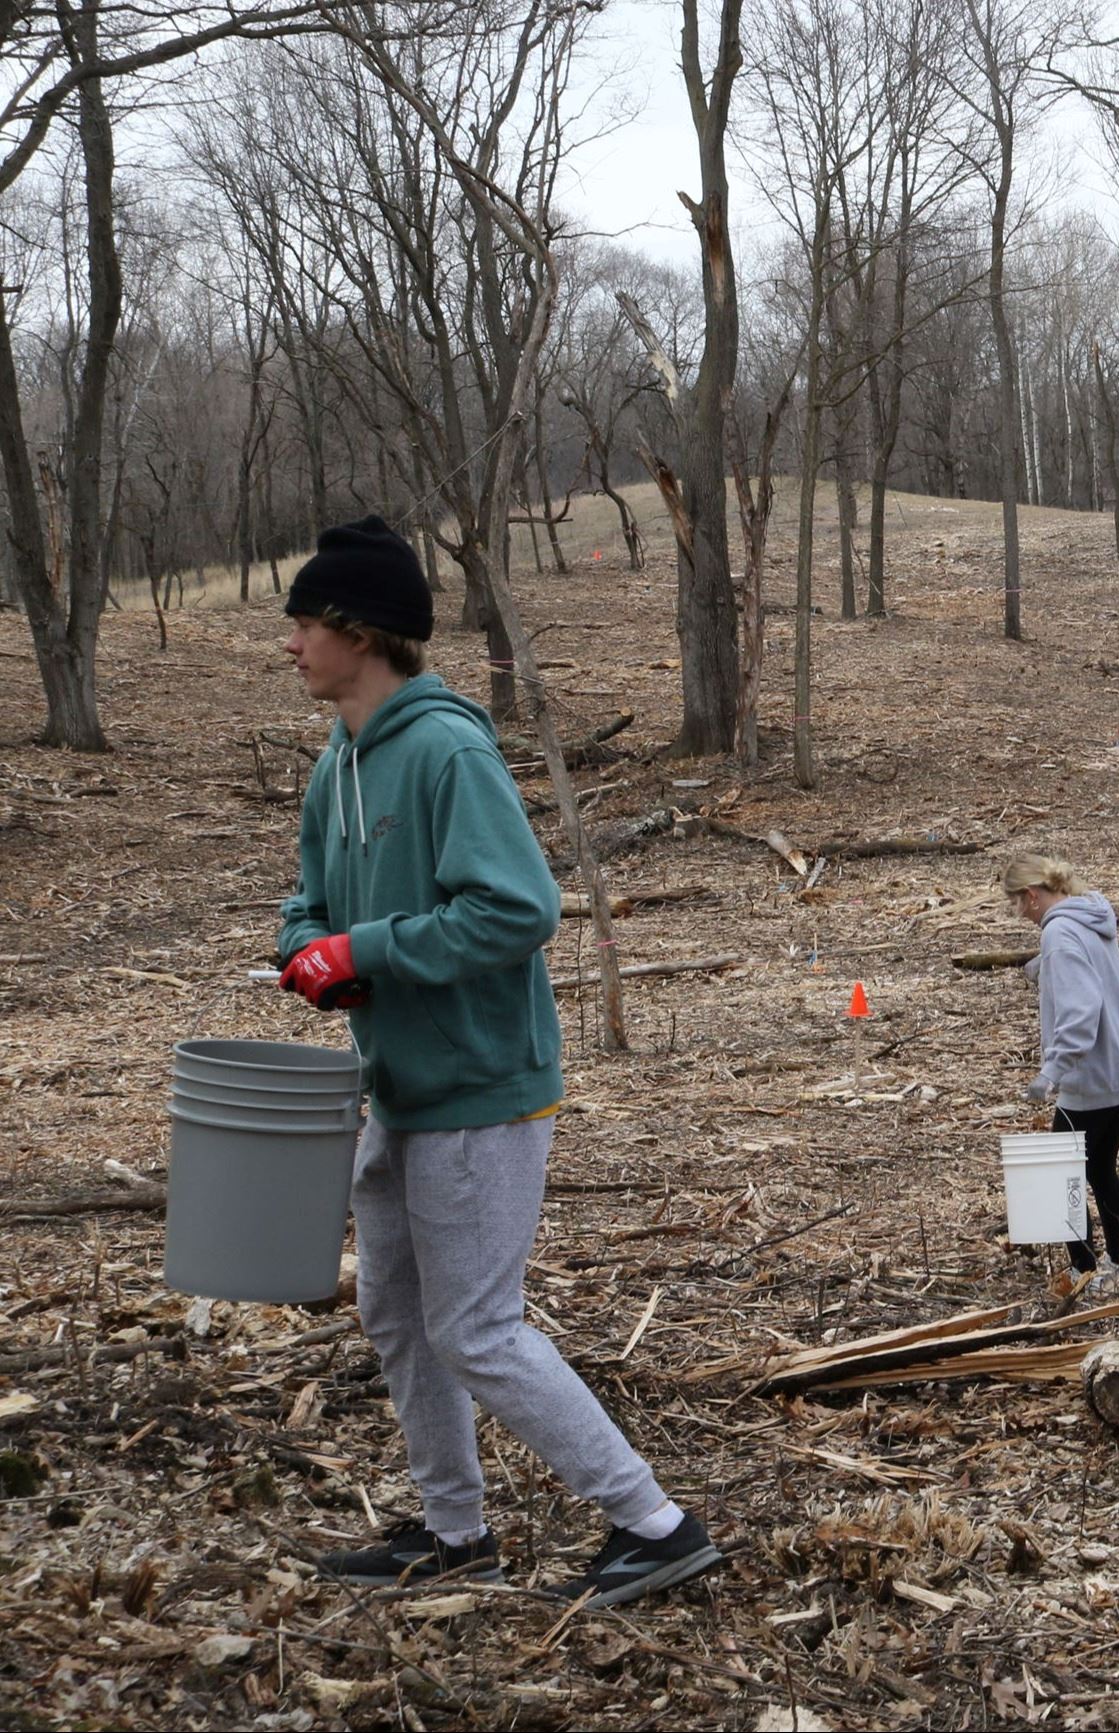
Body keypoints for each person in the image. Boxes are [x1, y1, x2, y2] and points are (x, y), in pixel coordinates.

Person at [276, 514, 720, 1604]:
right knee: (395, 1313)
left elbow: (519, 908)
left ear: (357, 628)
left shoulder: (445, 747)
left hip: (482, 1086)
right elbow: (308, 904)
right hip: (398, 1087)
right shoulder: (338, 760)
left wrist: (369, 949)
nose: (286, 641)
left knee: (475, 1324)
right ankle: (453, 1529)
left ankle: (653, 1523)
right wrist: (309, 953)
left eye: (301, 620)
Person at [1003, 853, 1119, 1290]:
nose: (1017, 913)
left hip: (1091, 1077)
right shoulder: (1089, 913)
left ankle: (1083, 1271)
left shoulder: (1059, 933)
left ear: (1031, 896)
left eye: (1015, 902)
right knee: (1101, 1168)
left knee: (1059, 1177)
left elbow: (1082, 1013)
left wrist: (1050, 1073)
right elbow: (1090, 974)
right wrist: (1042, 970)